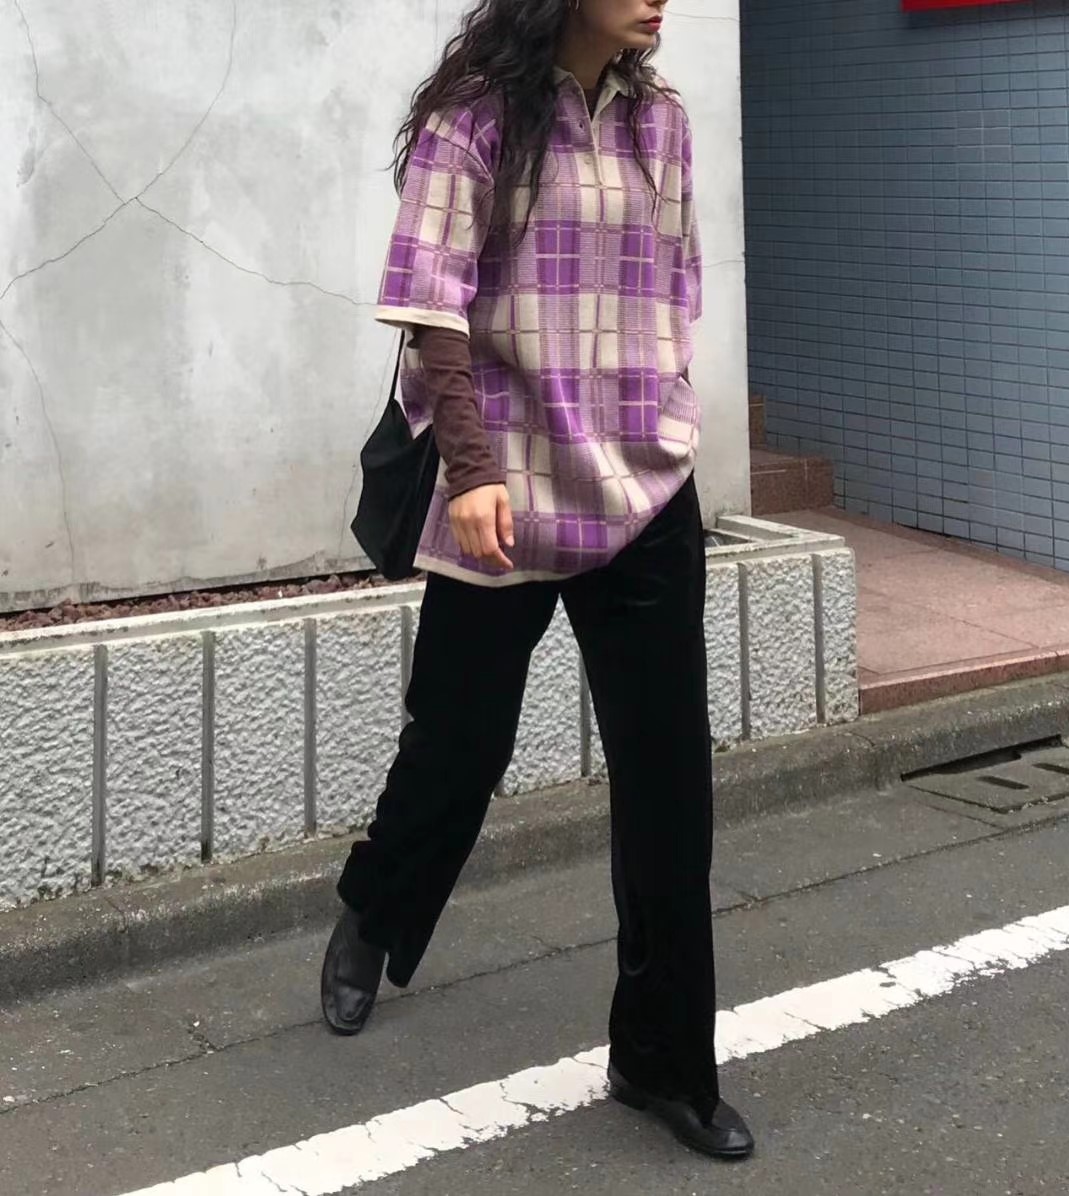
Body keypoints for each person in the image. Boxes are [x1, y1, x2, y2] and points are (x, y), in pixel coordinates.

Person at [321, 0, 754, 1161]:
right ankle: (374, 905)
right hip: (503, 490)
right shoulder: (477, 118)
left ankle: (662, 1057)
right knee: (459, 745)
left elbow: (679, 284)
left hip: (644, 490)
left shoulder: (663, 122)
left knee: (669, 785)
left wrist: (670, 414)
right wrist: (469, 471)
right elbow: (432, 305)